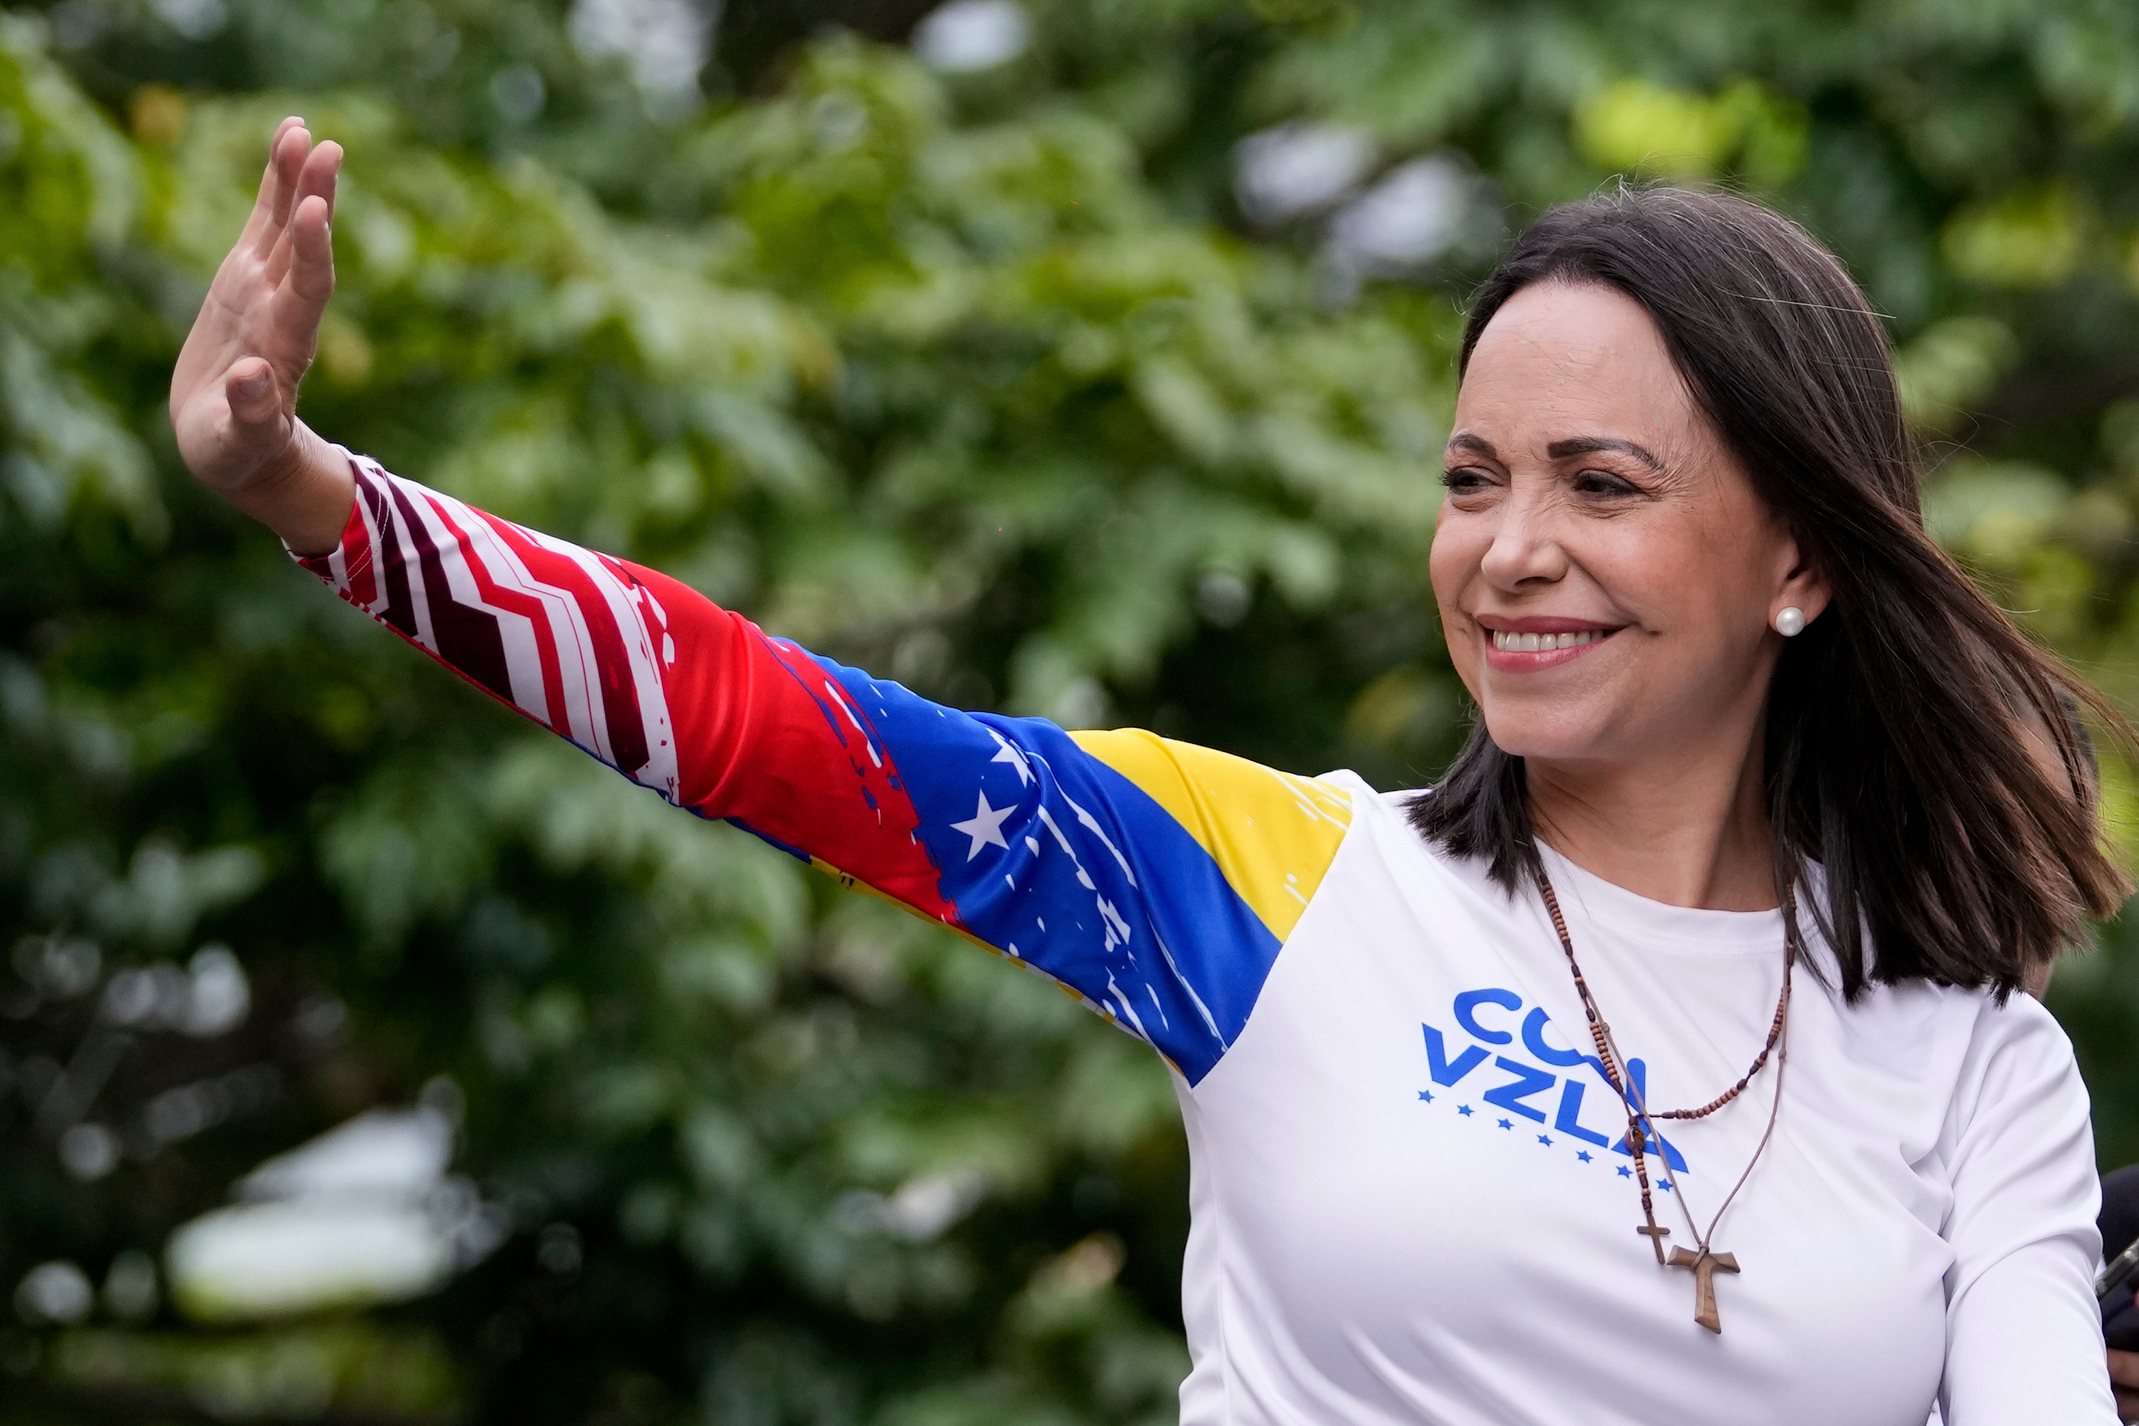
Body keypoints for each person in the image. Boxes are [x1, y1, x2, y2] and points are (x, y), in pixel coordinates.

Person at [171, 119, 2131, 1425]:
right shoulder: (1267, 882)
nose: (1507, 545)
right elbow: (761, 721)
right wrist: (304, 489)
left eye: (1599, 484)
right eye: (1470, 478)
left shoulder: (1962, 1055)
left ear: (1798, 558)